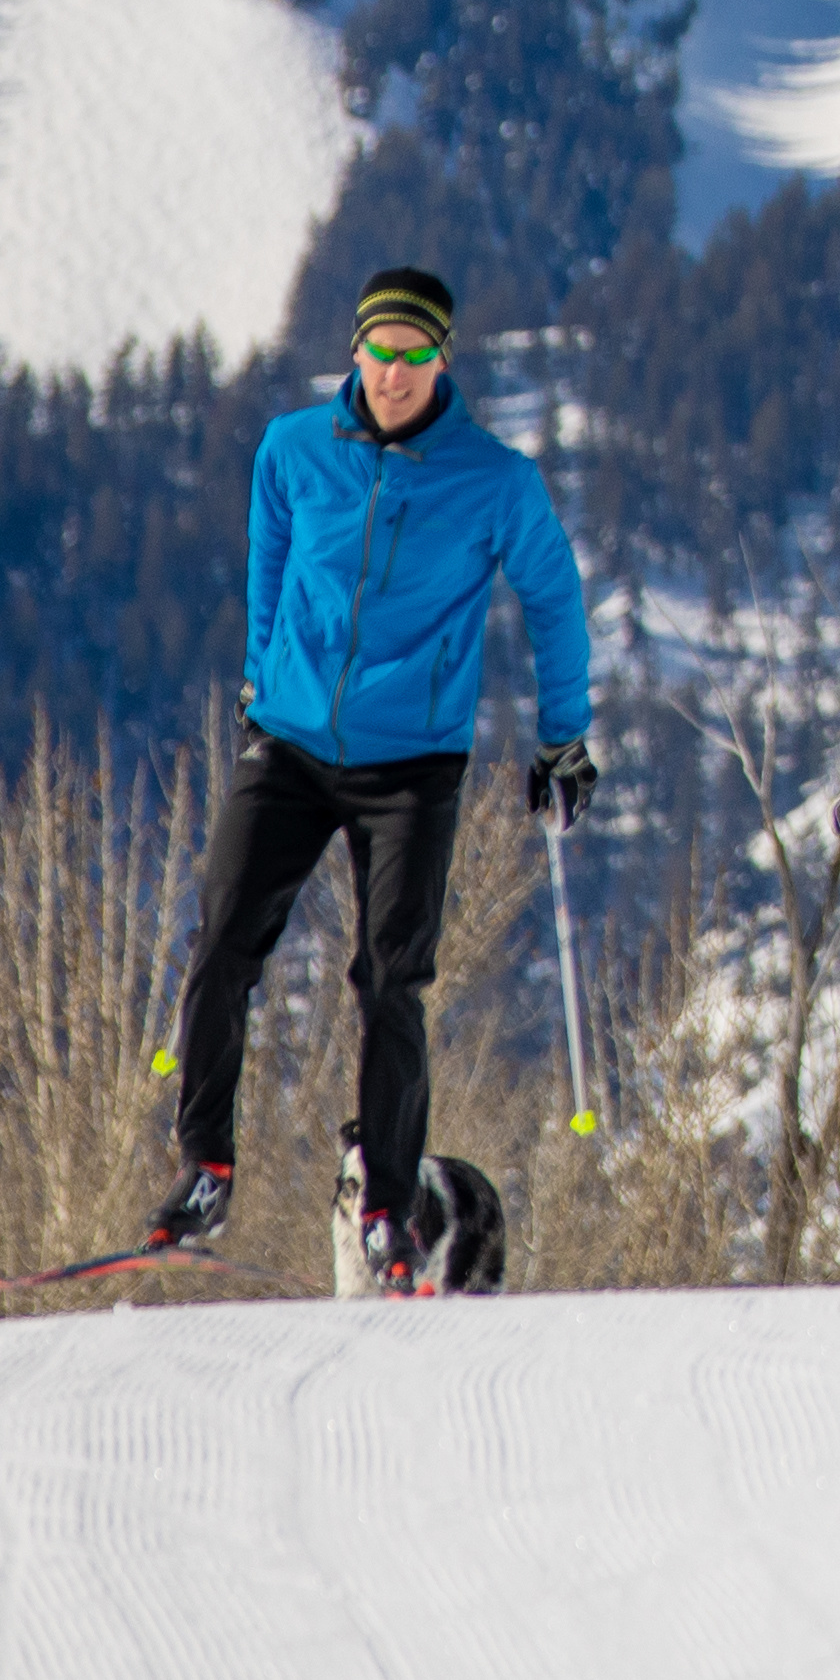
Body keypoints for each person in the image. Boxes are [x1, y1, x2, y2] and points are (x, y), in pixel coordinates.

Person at [143, 266, 597, 1291]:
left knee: (391, 981)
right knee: (221, 945)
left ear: (444, 359)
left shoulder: (495, 479)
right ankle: (205, 1163)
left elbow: (555, 598)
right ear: (355, 352)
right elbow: (270, 563)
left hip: (414, 764)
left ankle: (390, 1205)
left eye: (415, 354)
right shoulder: (292, 449)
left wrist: (563, 739)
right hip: (293, 745)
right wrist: (263, 685)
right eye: (379, 351)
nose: (394, 372)